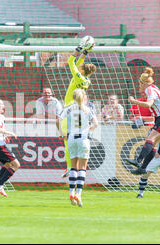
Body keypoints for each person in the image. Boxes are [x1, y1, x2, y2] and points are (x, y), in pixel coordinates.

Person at [126, 67, 160, 175]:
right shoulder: (154, 87)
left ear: (142, 83)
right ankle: (143, 168)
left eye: (139, 83)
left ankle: (138, 161)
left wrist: (134, 101)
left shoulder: (149, 89)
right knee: (153, 144)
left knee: (150, 139)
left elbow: (148, 104)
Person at [61, 41, 96, 178]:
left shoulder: (77, 76)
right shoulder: (86, 80)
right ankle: (72, 167)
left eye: (80, 67)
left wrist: (78, 49)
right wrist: (86, 52)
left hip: (69, 109)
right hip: (80, 109)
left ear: (81, 70)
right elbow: (78, 63)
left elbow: (71, 61)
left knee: (66, 139)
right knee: (73, 138)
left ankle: (70, 167)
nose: (78, 66)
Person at [57, 89, 98, 207]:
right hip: (83, 139)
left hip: (71, 139)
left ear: (73, 97)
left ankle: (71, 192)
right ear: (84, 97)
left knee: (73, 167)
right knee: (83, 168)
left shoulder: (69, 108)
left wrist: (61, 133)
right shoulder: (88, 109)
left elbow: (58, 120)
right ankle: (78, 194)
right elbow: (96, 123)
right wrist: (90, 128)